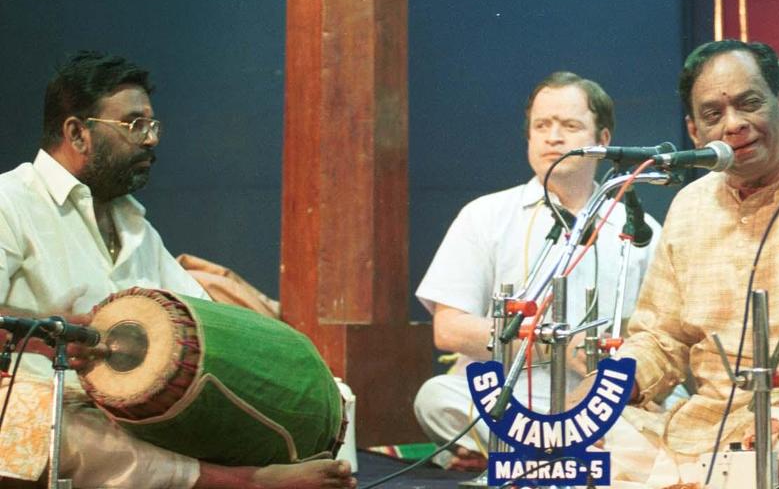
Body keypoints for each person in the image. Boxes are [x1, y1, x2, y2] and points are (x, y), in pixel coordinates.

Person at [0, 50, 354, 488]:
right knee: (55, 426)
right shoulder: (10, 203)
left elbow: (203, 314)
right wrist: (53, 337)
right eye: (134, 125)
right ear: (77, 133)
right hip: (37, 396)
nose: (150, 139)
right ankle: (249, 482)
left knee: (308, 396)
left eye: (152, 126)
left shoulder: (135, 227)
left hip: (135, 411)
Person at [592, 40, 779, 488]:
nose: (734, 125)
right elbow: (661, 336)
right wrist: (603, 394)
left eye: (749, 104)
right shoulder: (690, 206)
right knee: (580, 453)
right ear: (695, 133)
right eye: (714, 115)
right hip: (707, 422)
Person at [412, 71, 661, 469]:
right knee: (436, 397)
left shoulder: (640, 231)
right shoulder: (485, 216)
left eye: (570, 126)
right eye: (541, 125)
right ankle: (561, 459)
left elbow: (661, 337)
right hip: (511, 403)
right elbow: (449, 330)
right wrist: (552, 343)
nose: (553, 137)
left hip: (601, 406)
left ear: (604, 140)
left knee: (669, 412)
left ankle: (522, 460)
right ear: (528, 136)